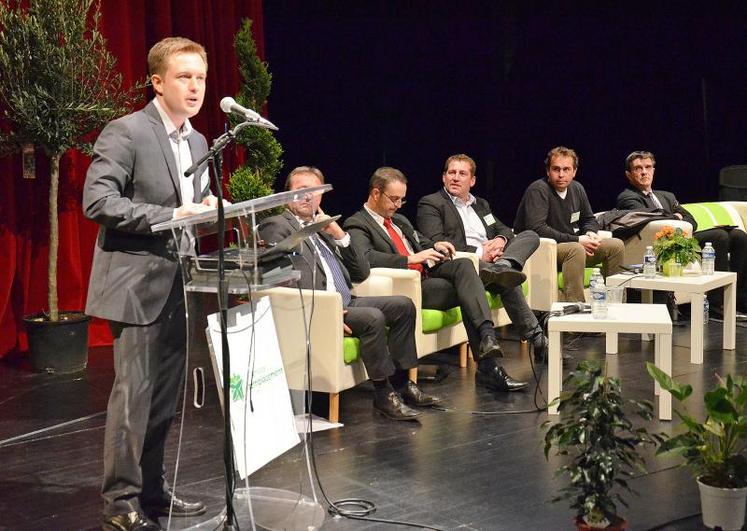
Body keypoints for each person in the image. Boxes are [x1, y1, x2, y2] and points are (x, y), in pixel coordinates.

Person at [83, 37, 216, 531]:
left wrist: (207, 216)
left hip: (182, 283)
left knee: (165, 397)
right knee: (133, 396)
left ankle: (154, 490)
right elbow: (98, 202)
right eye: (184, 76)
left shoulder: (199, 142)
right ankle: (120, 502)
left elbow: (193, 210)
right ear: (158, 82)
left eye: (200, 77)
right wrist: (171, 214)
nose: (195, 86)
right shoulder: (127, 131)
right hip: (136, 286)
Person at [259, 166, 440, 421]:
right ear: (288, 194)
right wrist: (324, 311)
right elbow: (275, 278)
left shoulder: (322, 227)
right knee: (373, 317)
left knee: (404, 305)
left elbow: (361, 272)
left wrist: (340, 235)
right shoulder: (277, 225)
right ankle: (383, 394)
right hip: (321, 306)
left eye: (314, 192)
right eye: (301, 191)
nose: (308, 197)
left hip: (346, 300)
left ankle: (401, 384)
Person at [344, 166, 529, 393]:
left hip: (429, 277)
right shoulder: (357, 224)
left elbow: (421, 240)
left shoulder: (400, 219)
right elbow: (367, 258)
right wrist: (411, 258)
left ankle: (488, 339)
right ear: (375, 194)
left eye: (402, 200)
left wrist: (435, 246)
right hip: (411, 287)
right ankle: (489, 364)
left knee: (463, 267)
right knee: (471, 288)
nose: (397, 205)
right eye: (393, 199)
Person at [417, 154, 547, 358]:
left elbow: (503, 228)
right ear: (443, 177)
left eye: (462, 173)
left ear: (473, 180)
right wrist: (480, 253)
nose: (455, 178)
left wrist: (501, 241)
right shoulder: (431, 204)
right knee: (507, 280)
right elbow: (437, 240)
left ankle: (503, 266)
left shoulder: (481, 205)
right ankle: (538, 339)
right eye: (451, 173)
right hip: (464, 264)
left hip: (492, 263)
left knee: (530, 236)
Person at [616, 150, 747, 316]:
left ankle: (741, 299)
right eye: (638, 168)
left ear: (653, 170)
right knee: (719, 237)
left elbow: (691, 220)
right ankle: (715, 304)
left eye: (648, 167)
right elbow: (648, 217)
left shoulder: (667, 196)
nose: (644, 172)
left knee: (738, 236)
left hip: (683, 238)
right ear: (628, 174)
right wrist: (675, 216)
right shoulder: (627, 197)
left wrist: (675, 218)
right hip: (660, 243)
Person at [514, 146, 625, 303]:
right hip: (540, 250)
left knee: (616, 246)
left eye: (566, 169)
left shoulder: (577, 188)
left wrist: (590, 233)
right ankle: (575, 313)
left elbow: (588, 219)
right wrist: (578, 240)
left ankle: (613, 305)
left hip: (571, 247)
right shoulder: (538, 190)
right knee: (575, 249)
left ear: (574, 171)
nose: (561, 175)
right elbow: (537, 229)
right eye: (556, 169)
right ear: (548, 171)